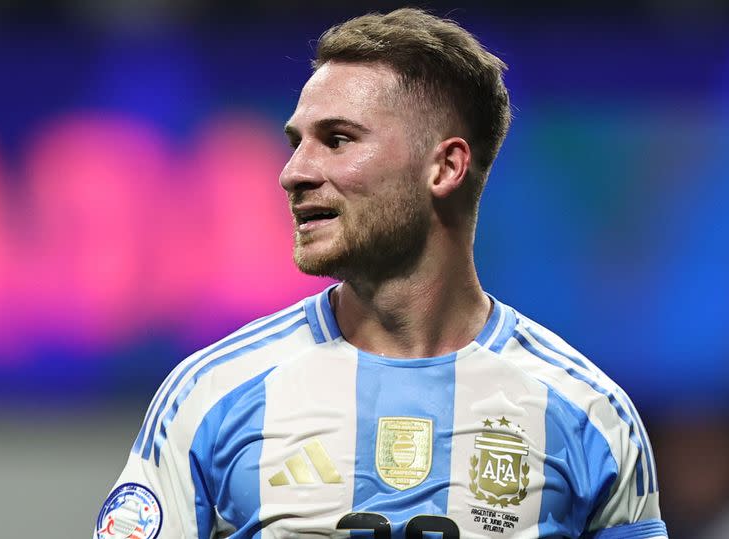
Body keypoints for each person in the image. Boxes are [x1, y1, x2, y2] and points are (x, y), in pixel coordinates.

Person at [95, 8, 667, 538]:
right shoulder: (211, 394)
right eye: (296, 143)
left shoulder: (588, 414)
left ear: (445, 167)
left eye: (337, 140)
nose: (293, 172)